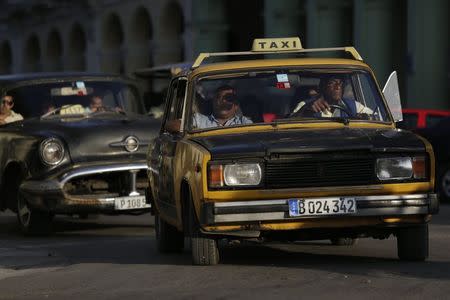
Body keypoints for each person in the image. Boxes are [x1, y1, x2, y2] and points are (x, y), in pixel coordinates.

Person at [291, 75, 372, 118]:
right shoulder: (306, 105)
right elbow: (290, 124)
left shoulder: (354, 106)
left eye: (340, 83)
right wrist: (305, 110)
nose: (338, 87)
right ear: (323, 87)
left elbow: (376, 117)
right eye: (332, 83)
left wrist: (364, 117)